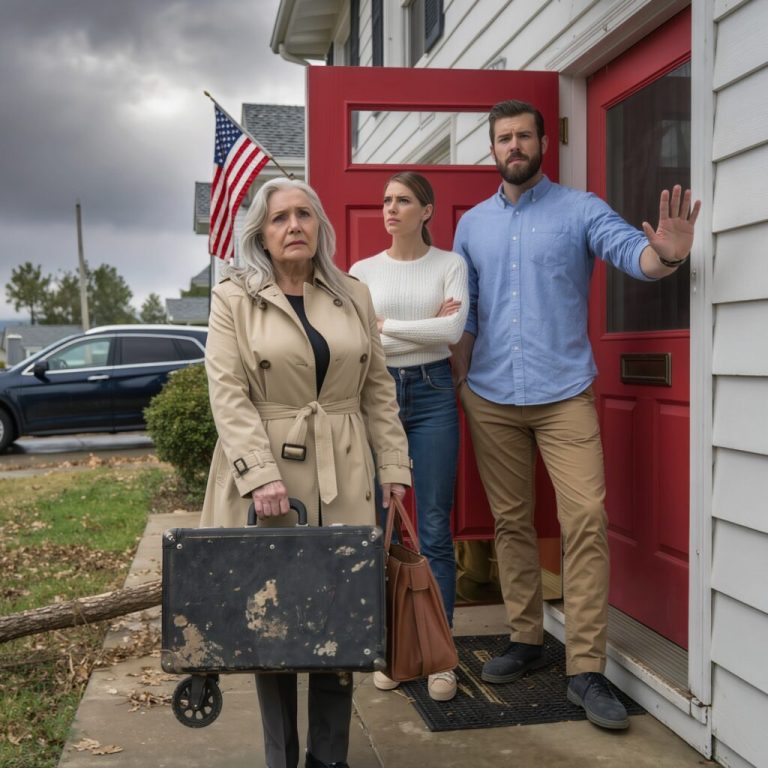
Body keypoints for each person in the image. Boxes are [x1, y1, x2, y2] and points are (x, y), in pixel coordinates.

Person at [451, 100, 701, 731]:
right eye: (503, 138)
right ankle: (527, 638)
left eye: (523, 136)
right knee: (511, 524)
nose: (514, 145)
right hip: (491, 397)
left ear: (542, 144)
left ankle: (585, 668)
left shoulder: (581, 209)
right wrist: (460, 380)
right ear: (492, 149)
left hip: (564, 394)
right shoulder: (471, 225)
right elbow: (467, 312)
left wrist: (665, 256)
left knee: (585, 517)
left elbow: (632, 256)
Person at [200, 177, 412, 768]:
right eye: (279, 219)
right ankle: (280, 756)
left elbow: (377, 389)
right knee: (273, 619)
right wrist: (258, 475)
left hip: (344, 472)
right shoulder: (233, 297)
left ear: (320, 226)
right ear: (260, 235)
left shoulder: (353, 294)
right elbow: (227, 392)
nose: (293, 226)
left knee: (341, 614)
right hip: (269, 475)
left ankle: (330, 758)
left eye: (304, 215)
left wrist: (393, 466)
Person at [349, 172, 468, 702]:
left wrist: (386, 325)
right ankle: (391, 649)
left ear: (427, 210)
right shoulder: (361, 272)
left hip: (434, 393)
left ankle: (440, 656)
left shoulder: (450, 265)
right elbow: (360, 337)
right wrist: (414, 325)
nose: (390, 209)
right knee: (380, 526)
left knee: (435, 527)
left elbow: (451, 333)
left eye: (402, 201)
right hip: (377, 397)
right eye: (386, 201)